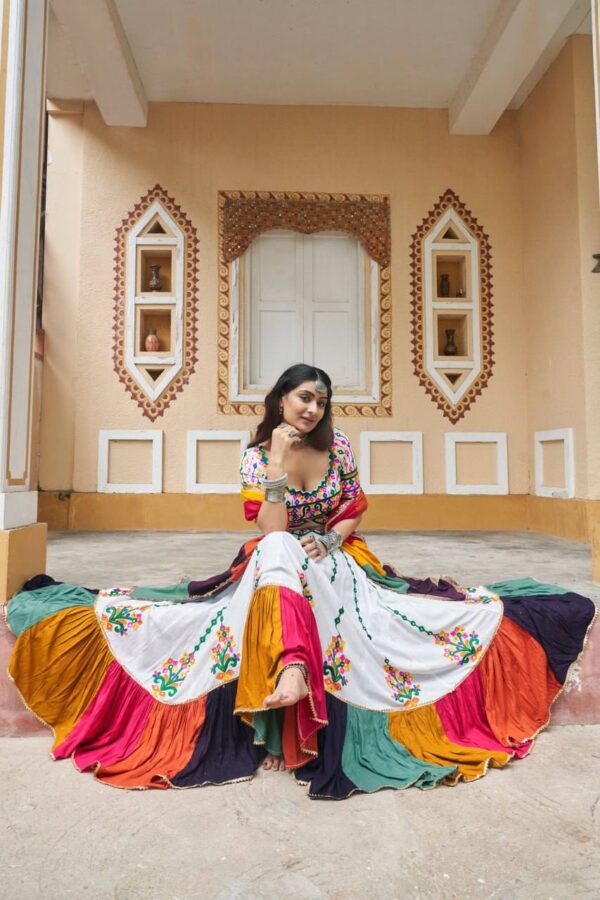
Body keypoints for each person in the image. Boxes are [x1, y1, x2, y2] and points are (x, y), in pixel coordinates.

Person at [7, 364, 596, 798]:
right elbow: (268, 528)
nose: (312, 408)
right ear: (280, 401)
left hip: (337, 553)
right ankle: (290, 668)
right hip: (276, 556)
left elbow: (354, 510)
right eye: (303, 397)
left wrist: (333, 539)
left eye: (321, 400)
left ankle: (297, 671)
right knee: (280, 545)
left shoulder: (338, 447)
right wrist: (278, 471)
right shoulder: (257, 457)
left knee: (412, 609)